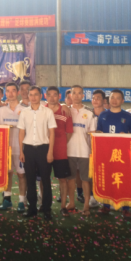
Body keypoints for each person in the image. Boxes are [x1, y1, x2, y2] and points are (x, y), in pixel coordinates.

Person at [95, 89, 131, 219]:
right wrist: (98, 133)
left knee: (124, 179)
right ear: (108, 100)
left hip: (122, 155)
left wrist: (127, 136)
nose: (114, 100)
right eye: (112, 97)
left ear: (122, 100)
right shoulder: (103, 115)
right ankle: (106, 206)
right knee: (107, 177)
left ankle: (126, 208)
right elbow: (98, 131)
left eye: (118, 98)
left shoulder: (128, 116)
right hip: (106, 153)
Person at [18, 86, 57, 221]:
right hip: (28, 149)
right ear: (28, 96)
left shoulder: (47, 112)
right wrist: (21, 151)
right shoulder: (24, 112)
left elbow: (52, 133)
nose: (33, 97)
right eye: (31, 95)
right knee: (30, 180)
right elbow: (21, 132)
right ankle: (32, 209)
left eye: (36, 94)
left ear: (41, 96)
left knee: (45, 181)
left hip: (43, 149)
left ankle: (46, 209)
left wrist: (50, 151)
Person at [0, 83, 28, 212]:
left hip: (21, 149)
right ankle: (7, 200)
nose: (11, 93)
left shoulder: (25, 109)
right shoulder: (2, 110)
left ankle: (21, 201)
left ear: (18, 92)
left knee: (21, 175)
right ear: (5, 94)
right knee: (7, 174)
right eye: (8, 91)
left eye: (13, 90)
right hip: (6, 149)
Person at [66, 85, 97, 216]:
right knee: (70, 179)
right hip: (69, 151)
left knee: (85, 180)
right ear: (70, 95)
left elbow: (93, 134)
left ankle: (86, 205)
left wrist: (93, 151)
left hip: (85, 151)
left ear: (83, 96)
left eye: (79, 93)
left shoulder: (89, 113)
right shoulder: (66, 111)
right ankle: (71, 203)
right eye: (74, 93)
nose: (77, 95)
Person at [45, 86, 73, 217]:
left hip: (61, 152)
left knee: (62, 179)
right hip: (44, 150)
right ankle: (45, 205)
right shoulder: (41, 110)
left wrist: (61, 144)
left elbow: (69, 132)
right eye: (49, 95)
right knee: (44, 179)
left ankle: (63, 206)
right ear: (45, 96)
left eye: (54, 95)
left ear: (59, 96)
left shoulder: (65, 111)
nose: (52, 98)